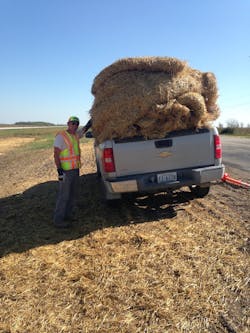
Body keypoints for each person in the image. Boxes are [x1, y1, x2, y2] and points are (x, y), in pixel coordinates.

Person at [53, 116, 92, 228]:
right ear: (68, 123)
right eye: (72, 123)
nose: (74, 125)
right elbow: (56, 154)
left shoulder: (75, 135)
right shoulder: (61, 136)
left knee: (72, 194)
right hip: (65, 171)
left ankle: (68, 216)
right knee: (64, 196)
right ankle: (58, 220)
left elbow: (83, 131)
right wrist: (59, 170)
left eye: (76, 123)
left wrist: (89, 124)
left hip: (75, 170)